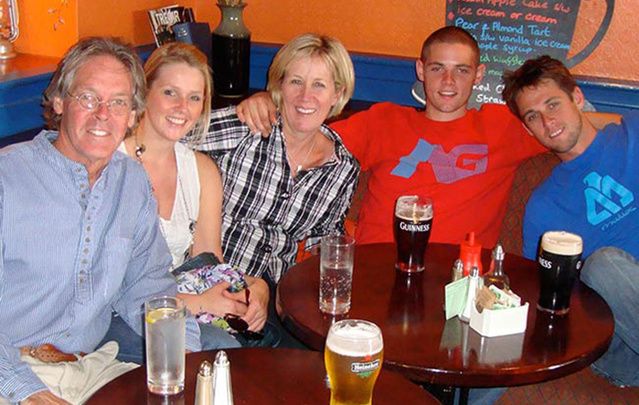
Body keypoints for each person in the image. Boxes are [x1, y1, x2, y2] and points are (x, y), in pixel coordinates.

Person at [237, 27, 617, 250]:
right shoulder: (383, 120)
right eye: (437, 68)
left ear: (478, 74)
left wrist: (622, 121)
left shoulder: (505, 126)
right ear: (421, 70)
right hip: (375, 274)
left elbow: (570, 122)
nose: (448, 82)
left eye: (461, 70)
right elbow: (304, 137)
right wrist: (266, 102)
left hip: (459, 285)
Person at [0, 37, 201, 404]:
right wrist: (24, 391)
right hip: (10, 369)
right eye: (88, 98)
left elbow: (148, 283)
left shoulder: (132, 182)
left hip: (91, 368)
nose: (103, 115)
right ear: (60, 101)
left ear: (133, 115)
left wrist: (181, 353)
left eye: (118, 102)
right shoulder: (7, 177)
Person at [191, 33, 360, 347]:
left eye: (319, 85)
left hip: (276, 296)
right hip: (212, 280)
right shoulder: (247, 127)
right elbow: (168, 138)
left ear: (337, 94)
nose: (305, 96)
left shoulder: (343, 169)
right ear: (279, 86)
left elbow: (323, 244)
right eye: (295, 81)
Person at [117, 42, 268, 348]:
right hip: (120, 310)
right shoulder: (112, 163)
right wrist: (199, 302)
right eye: (170, 92)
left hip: (180, 302)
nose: (182, 108)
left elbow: (210, 263)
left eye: (194, 97)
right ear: (145, 93)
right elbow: (112, 284)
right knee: (219, 349)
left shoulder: (201, 170)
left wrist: (258, 288)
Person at [502, 55, 638, 386]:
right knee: (603, 266)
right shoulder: (543, 207)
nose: (548, 122)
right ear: (526, 128)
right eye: (533, 116)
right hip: (620, 345)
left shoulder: (633, 133)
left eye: (553, 104)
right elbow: (549, 298)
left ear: (577, 98)